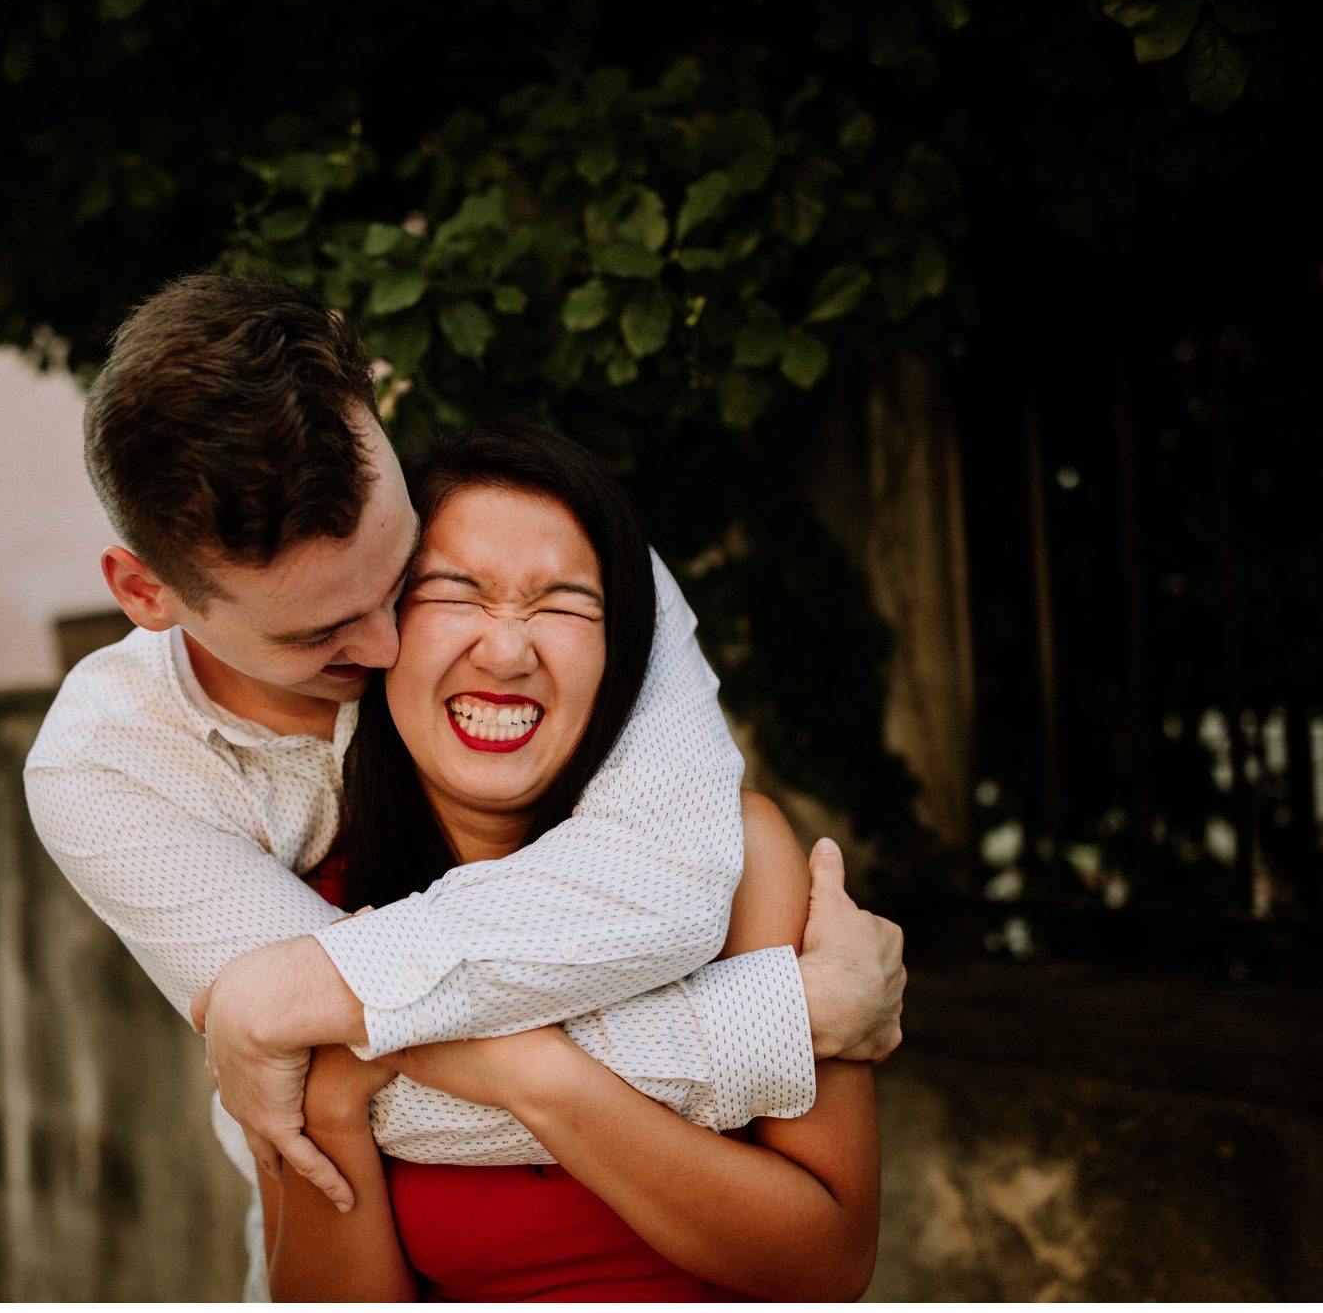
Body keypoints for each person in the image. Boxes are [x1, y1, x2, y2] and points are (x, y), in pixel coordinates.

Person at [22, 273, 905, 1298]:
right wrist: (781, 1017)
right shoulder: (111, 765)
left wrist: (299, 1001)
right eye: (318, 635)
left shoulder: (533, 545)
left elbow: (659, 888)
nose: (389, 639)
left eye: (402, 575)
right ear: (145, 593)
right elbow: (349, 1102)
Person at [263, 426, 879, 1300]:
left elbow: (827, 1268)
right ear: (379, 626)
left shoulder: (733, 863)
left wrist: (532, 1073)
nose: (507, 652)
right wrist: (329, 1103)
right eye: (455, 593)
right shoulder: (313, 912)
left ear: (625, 651)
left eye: (561, 605)